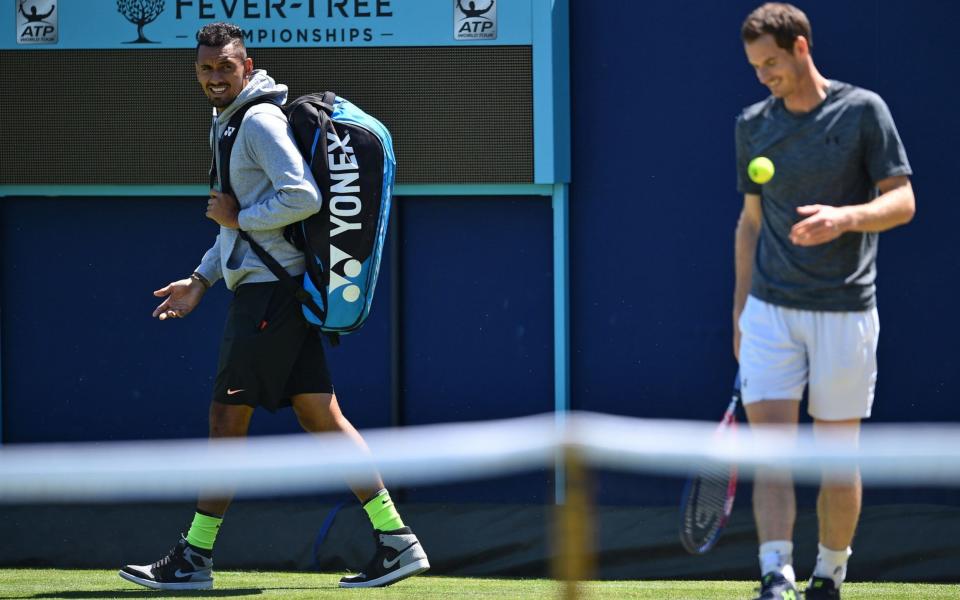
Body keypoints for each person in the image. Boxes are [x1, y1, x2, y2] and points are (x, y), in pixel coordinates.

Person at [118, 22, 429, 590]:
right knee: (321, 416)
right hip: (273, 292)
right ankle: (396, 541)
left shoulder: (257, 120)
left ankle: (194, 556)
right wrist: (200, 280)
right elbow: (241, 227)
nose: (215, 77)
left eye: (225, 67)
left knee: (225, 420)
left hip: (269, 298)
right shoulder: (230, 118)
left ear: (246, 63)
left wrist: (239, 220)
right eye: (206, 69)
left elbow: (301, 196)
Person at [733, 4, 914, 599]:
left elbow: (903, 200)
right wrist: (741, 312)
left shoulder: (864, 112)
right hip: (770, 313)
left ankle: (829, 574)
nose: (764, 76)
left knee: (837, 460)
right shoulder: (753, 125)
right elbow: (750, 225)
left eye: (772, 63)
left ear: (802, 48)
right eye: (755, 66)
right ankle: (775, 573)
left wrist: (845, 218)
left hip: (846, 312)